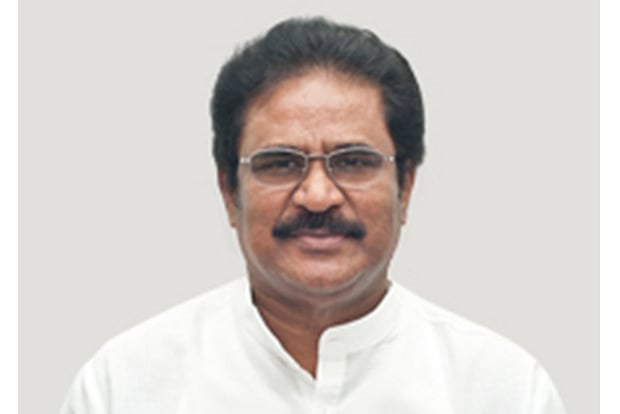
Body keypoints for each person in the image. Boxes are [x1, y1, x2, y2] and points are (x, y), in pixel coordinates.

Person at [60, 17, 567, 414]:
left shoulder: (502, 390)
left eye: (354, 162)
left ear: (405, 186)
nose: (318, 197)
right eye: (280, 163)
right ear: (229, 191)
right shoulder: (124, 386)